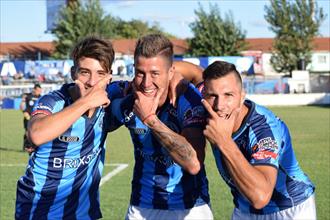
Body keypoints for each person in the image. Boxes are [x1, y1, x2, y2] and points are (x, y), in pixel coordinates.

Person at [109, 34, 213, 220]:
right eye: (141, 73)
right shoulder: (125, 96)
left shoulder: (187, 100)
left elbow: (193, 162)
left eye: (155, 73)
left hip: (191, 208)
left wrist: (150, 119)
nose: (147, 83)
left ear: (171, 73)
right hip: (141, 205)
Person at [15, 36, 115, 219]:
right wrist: (85, 102)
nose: (92, 82)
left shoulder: (113, 99)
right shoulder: (53, 101)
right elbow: (36, 134)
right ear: (73, 73)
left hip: (83, 213)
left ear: (110, 77)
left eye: (100, 74)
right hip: (39, 210)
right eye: (85, 72)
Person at [200, 61, 316, 219]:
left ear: (242, 97)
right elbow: (190, 72)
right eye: (212, 96)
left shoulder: (264, 129)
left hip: (288, 209)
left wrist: (224, 141)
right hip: (244, 209)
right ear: (203, 94)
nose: (219, 105)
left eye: (228, 95)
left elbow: (260, 197)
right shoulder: (205, 106)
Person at [19, 83, 42, 153]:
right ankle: (25, 147)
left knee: (37, 132)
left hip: (37, 118)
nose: (39, 92)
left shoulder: (41, 97)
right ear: (34, 89)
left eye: (40, 90)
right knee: (27, 132)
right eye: (38, 90)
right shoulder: (28, 96)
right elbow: (21, 105)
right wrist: (24, 112)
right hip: (28, 117)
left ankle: (35, 147)